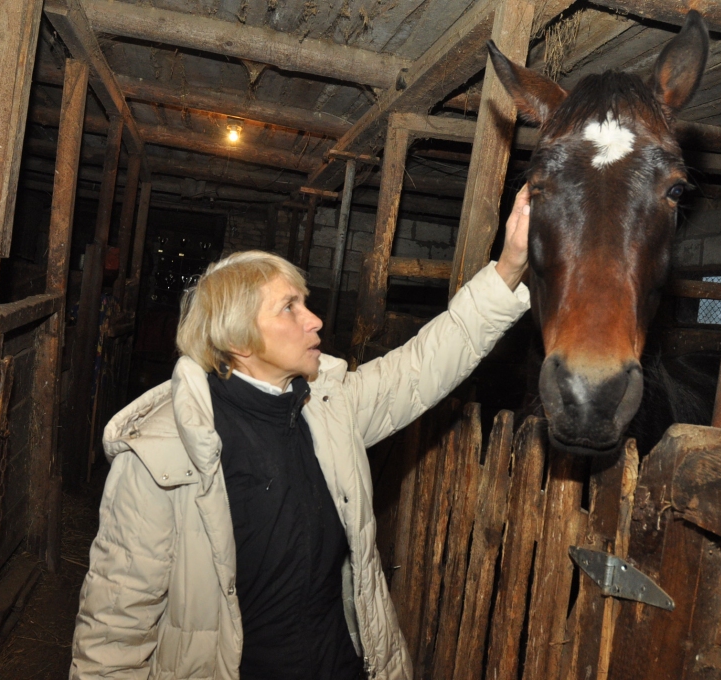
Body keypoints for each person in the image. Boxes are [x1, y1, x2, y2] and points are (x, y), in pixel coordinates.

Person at [70, 187, 533, 680]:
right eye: (289, 307)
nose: (314, 320)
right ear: (236, 339)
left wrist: (507, 267)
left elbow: (421, 368)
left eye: (304, 303)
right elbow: (113, 631)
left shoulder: (329, 409)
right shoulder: (160, 458)